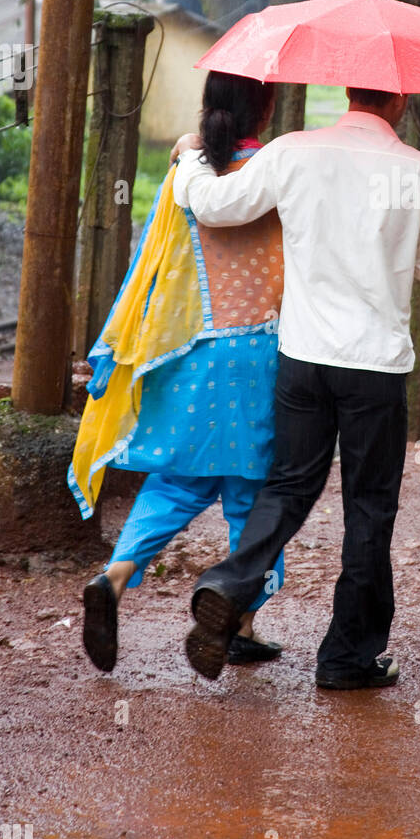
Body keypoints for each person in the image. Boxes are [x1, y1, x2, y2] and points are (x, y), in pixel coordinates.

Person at [171, 85, 420, 689]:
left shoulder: (294, 151)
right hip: (375, 366)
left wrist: (191, 157)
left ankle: (228, 584)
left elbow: (216, 205)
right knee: (369, 509)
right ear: (399, 100)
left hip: (303, 358)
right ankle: (348, 658)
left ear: (349, 90)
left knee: (290, 486)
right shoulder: (419, 170)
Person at [70, 72, 286, 673]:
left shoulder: (184, 176)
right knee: (257, 496)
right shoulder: (277, 171)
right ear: (266, 108)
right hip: (261, 360)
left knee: (176, 483)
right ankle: (237, 618)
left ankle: (113, 577)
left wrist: (116, 345)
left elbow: (150, 265)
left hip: (188, 353)